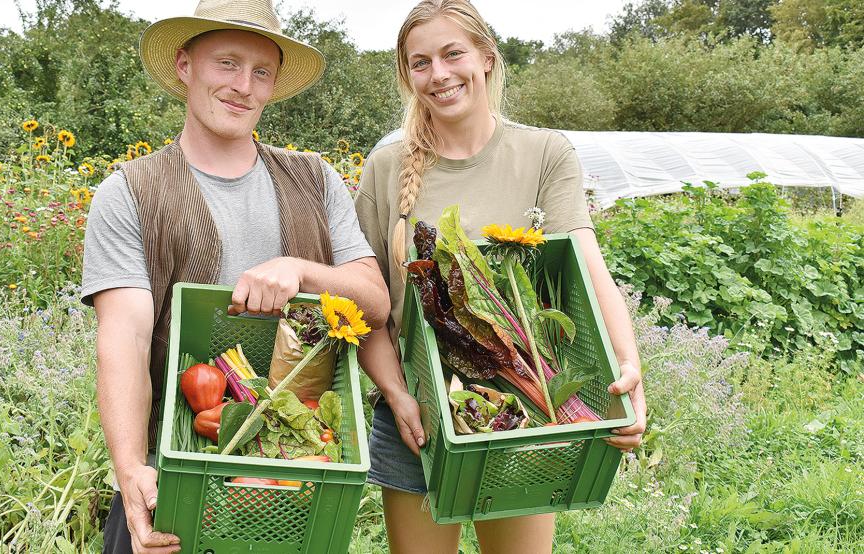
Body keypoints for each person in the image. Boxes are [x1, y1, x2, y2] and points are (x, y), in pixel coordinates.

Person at [79, 1, 389, 552]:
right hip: (178, 466)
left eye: (261, 71)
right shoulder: (129, 193)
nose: (243, 85)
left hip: (300, 469)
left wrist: (301, 270)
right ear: (184, 66)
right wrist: (130, 471)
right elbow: (123, 338)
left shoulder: (315, 181)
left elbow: (375, 302)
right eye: (226, 63)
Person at [353, 1, 648, 552]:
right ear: (407, 76)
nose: (438, 74)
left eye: (452, 54)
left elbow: (587, 264)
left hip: (524, 411)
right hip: (415, 412)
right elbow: (367, 301)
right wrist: (395, 394)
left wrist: (630, 369)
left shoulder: (543, 153)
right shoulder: (387, 167)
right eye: (420, 63)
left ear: (486, 58)